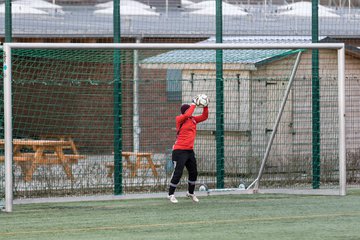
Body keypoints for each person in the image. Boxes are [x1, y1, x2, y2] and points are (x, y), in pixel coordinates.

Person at [167, 96, 209, 203]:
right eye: (189, 109)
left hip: (189, 151)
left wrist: (205, 106)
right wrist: (194, 104)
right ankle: (170, 194)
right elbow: (187, 114)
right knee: (178, 173)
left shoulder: (193, 120)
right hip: (179, 151)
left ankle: (190, 193)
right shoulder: (179, 119)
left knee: (193, 172)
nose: (190, 111)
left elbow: (204, 116)